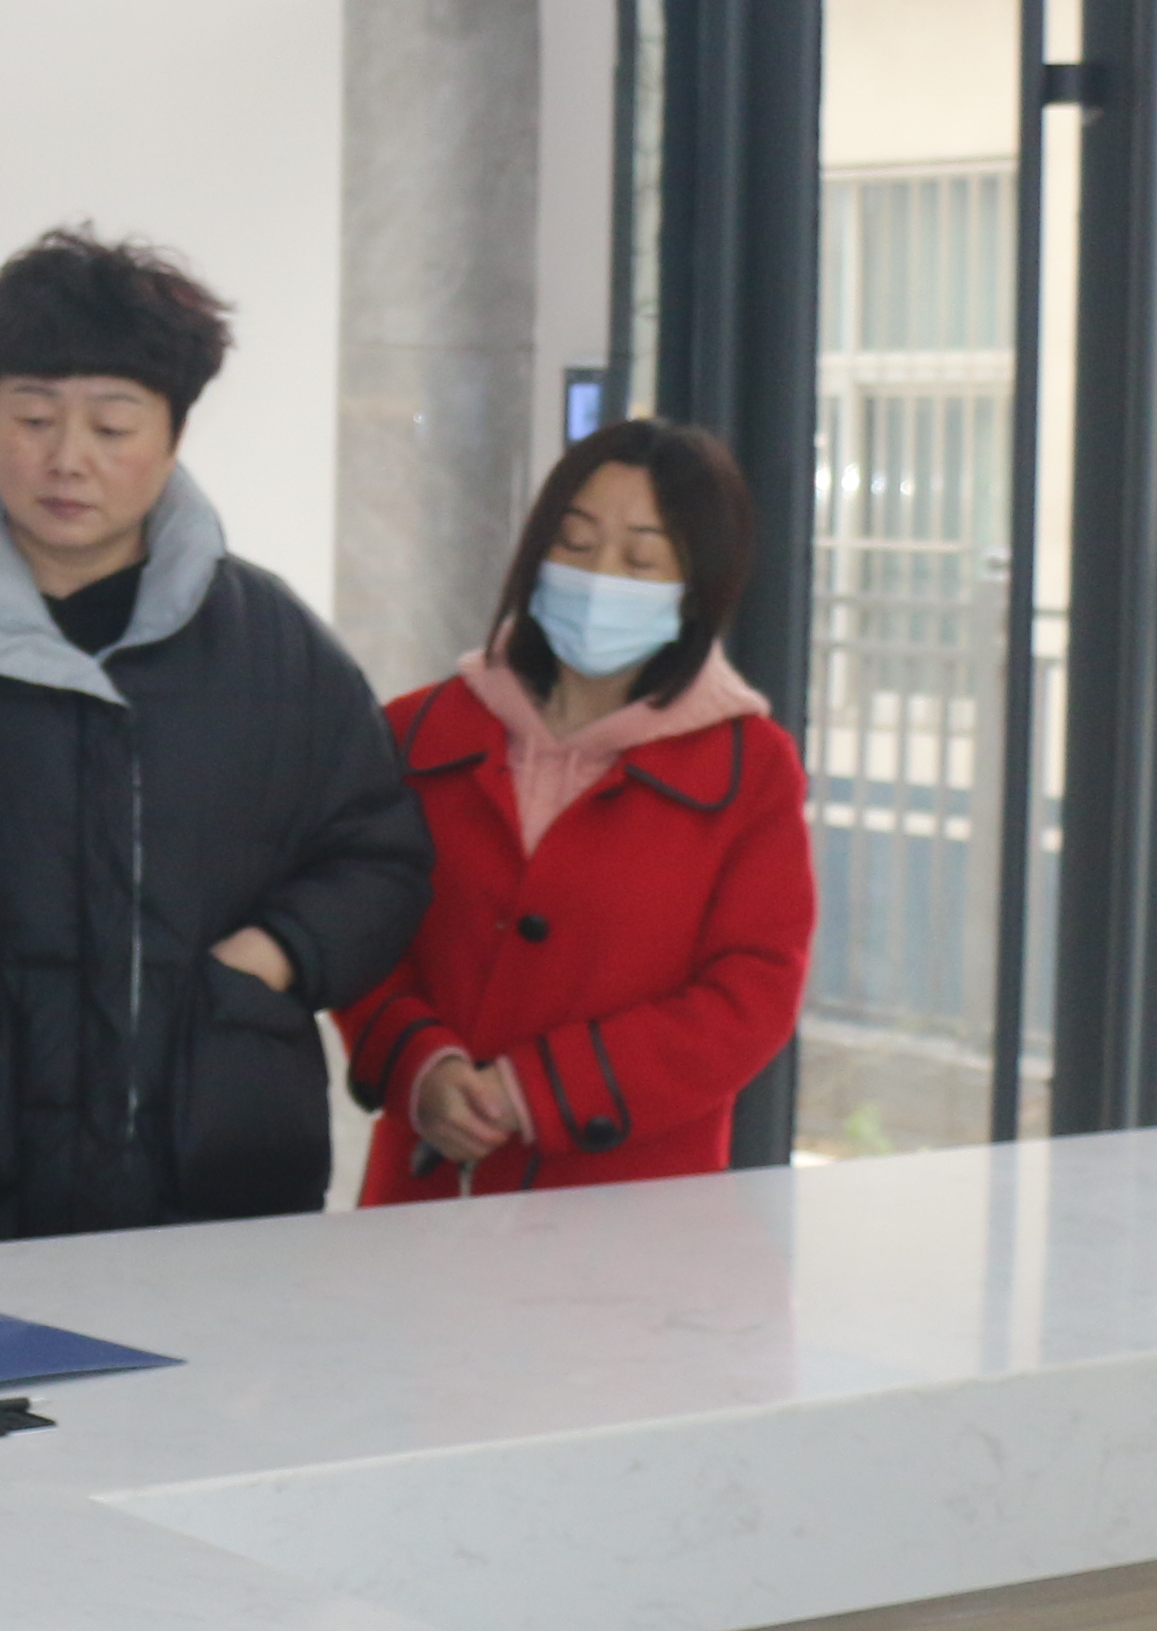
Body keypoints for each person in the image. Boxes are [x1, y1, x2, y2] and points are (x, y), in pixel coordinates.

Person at [0, 227, 431, 1246]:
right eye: (33, 417)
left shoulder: (276, 650)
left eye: (112, 425)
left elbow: (381, 856)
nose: (66, 459)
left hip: (213, 1210)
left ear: (174, 432)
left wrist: (275, 955)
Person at [338, 419, 816, 1197]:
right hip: (427, 1198)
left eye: (640, 559)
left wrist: (540, 1091)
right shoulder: (415, 734)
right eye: (576, 543)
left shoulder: (750, 770)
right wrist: (419, 1065)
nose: (599, 576)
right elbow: (353, 933)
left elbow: (752, 993)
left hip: (632, 1211)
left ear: (696, 589)